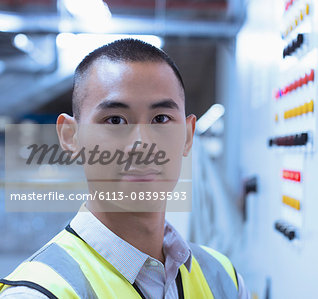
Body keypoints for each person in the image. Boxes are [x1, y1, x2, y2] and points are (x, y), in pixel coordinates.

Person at [0, 38, 249, 299]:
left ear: (187, 137)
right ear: (71, 136)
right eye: (115, 120)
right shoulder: (40, 292)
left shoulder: (223, 278)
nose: (141, 144)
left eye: (161, 119)